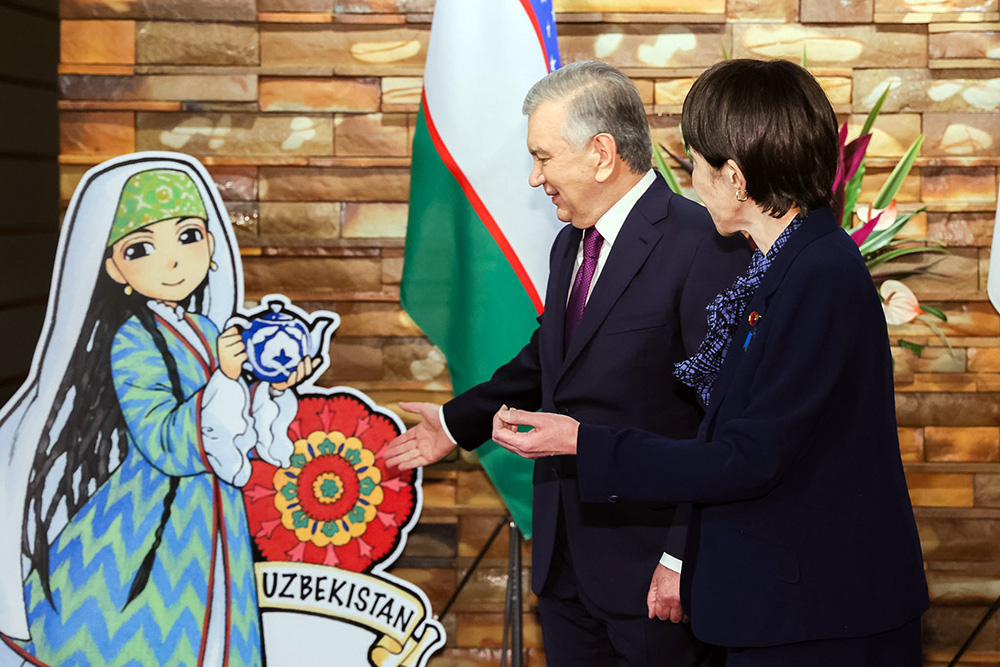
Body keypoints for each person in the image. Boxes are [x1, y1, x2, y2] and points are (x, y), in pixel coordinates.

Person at [490, 58, 929, 665]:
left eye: (696, 162)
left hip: (820, 617)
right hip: (782, 605)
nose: (691, 182)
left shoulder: (820, 274)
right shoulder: (781, 266)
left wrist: (582, 443)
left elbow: (747, 457)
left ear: (736, 177)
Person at [385, 61, 749, 665]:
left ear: (601, 154)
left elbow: (721, 423)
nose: (535, 178)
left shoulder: (702, 243)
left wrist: (682, 555)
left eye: (543, 158)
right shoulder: (570, 243)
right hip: (563, 567)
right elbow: (549, 360)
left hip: (653, 577)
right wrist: (455, 423)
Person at [0, 153, 315, 666]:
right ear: (113, 267)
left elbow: (238, 434)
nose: (173, 261)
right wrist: (226, 379)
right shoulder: (132, 341)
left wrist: (272, 390)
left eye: (189, 236)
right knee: (147, 637)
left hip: (210, 510)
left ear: (211, 244)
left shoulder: (207, 330)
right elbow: (162, 440)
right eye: (142, 248)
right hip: (149, 518)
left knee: (212, 627)